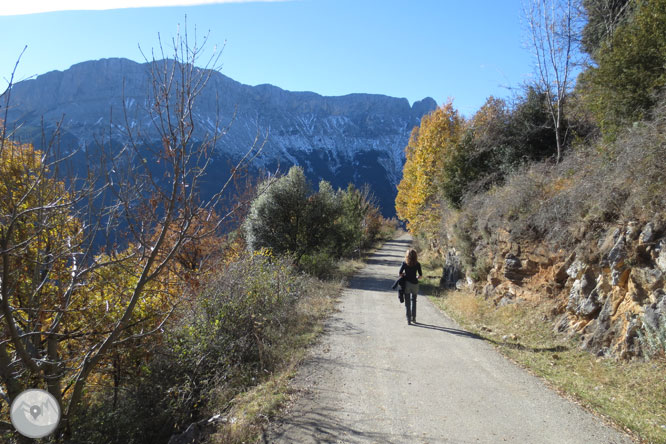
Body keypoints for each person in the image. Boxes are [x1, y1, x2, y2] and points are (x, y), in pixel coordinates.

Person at [399, 249, 422, 324]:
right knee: (414, 301)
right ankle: (414, 318)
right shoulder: (417, 264)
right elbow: (420, 276)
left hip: (407, 284)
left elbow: (400, 273)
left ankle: (408, 319)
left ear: (407, 255)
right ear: (415, 256)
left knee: (407, 302)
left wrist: (404, 275)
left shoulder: (404, 263)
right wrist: (416, 277)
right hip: (415, 284)